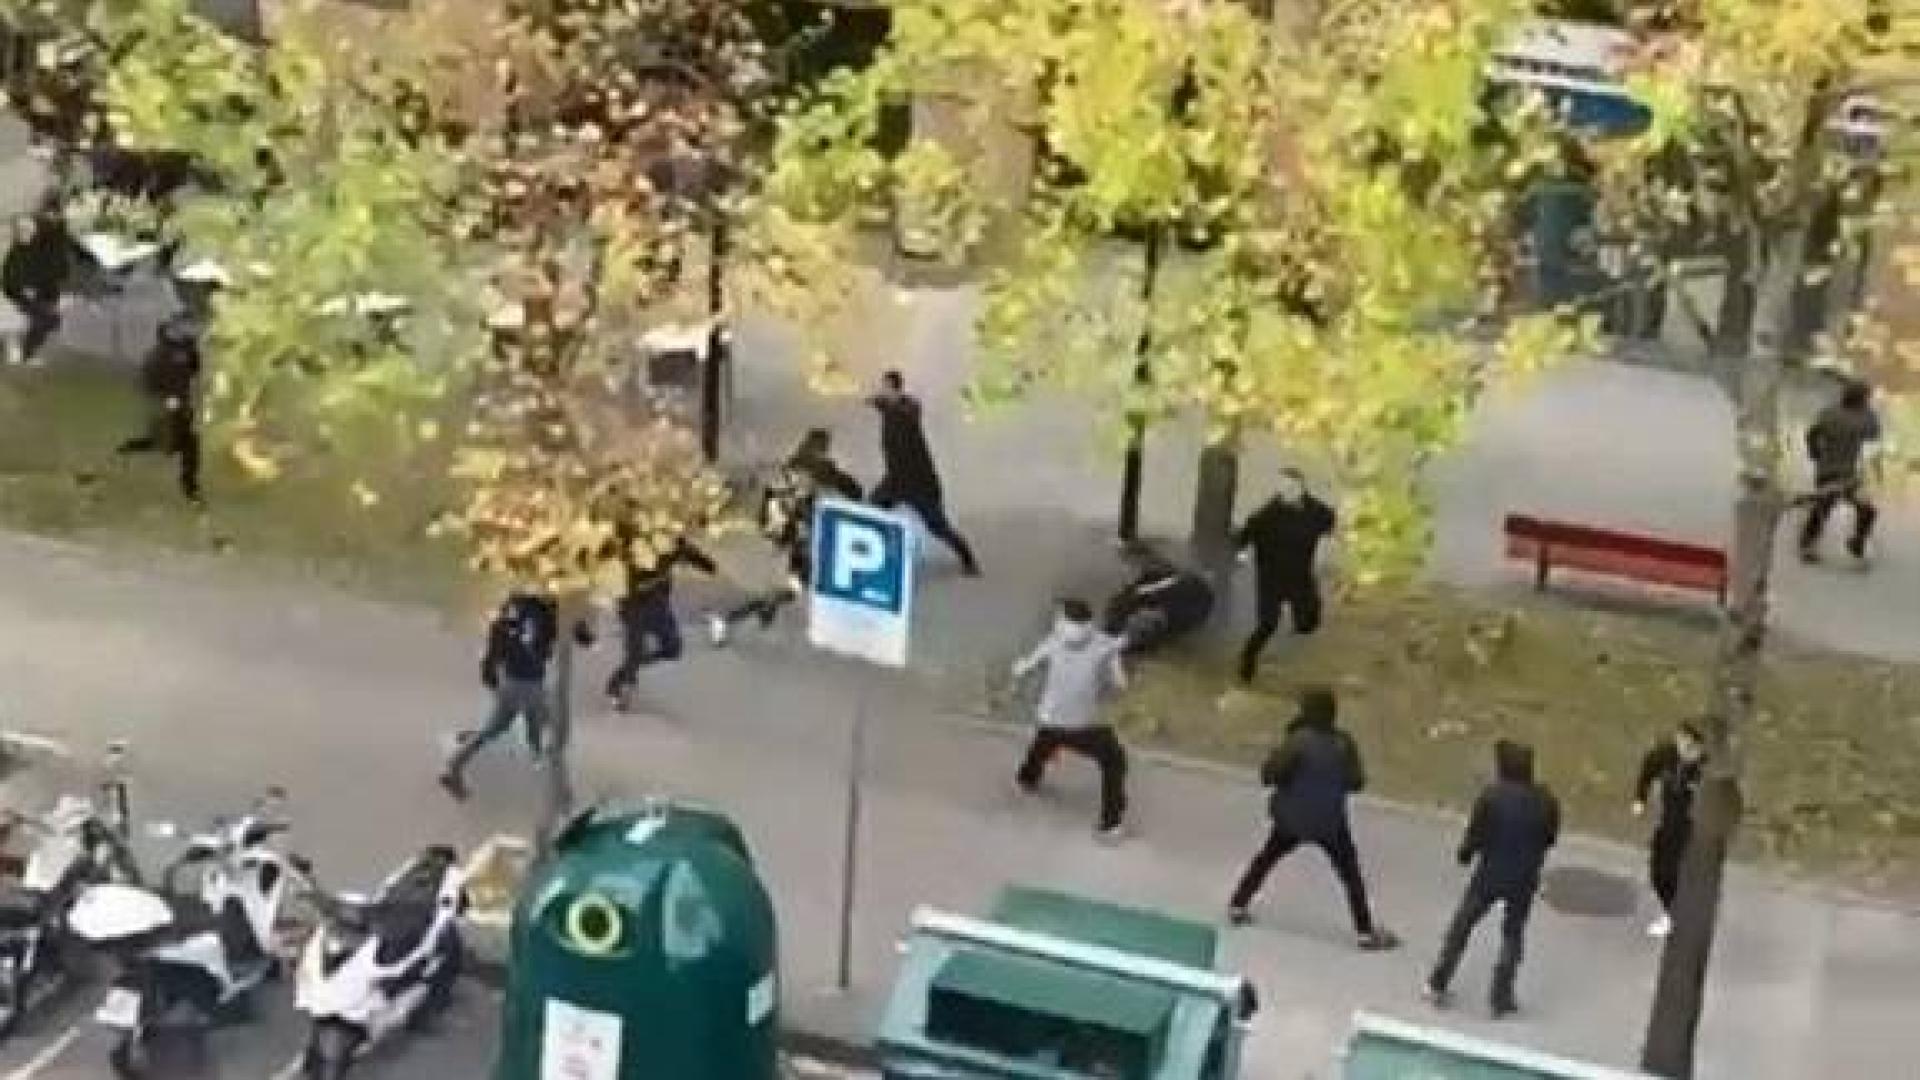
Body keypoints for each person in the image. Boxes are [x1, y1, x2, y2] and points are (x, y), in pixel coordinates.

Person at [1226, 687, 1398, 950]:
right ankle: (1364, 930)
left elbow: (1269, 774)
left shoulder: (1298, 740)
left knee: (1266, 859)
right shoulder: (1344, 743)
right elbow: (1356, 782)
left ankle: (1238, 904)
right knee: (1350, 874)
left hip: (1292, 818)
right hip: (1330, 822)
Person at [1425, 739, 1561, 1019]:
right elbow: (1550, 838)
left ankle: (1439, 980)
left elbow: (1476, 834)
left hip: (1489, 874)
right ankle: (1501, 996)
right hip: (1524, 876)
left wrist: (1465, 853)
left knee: (1462, 926)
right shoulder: (1546, 800)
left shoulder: (1491, 797)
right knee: (1512, 934)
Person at [709, 428, 863, 643]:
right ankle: (733, 618)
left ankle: (765, 609)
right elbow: (851, 488)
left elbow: (772, 498)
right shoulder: (821, 469)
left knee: (794, 582)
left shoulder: (793, 464)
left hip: (786, 535)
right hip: (796, 537)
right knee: (794, 585)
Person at [440, 590, 590, 800]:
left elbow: (495, 644)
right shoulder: (551, 612)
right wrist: (586, 635)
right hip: (531, 684)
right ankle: (560, 790)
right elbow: (580, 634)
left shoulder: (513, 607)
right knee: (554, 730)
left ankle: (454, 766)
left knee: (495, 729)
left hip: (509, 681)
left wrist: (491, 674)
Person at [1010, 598, 1131, 841]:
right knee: (1114, 761)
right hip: (1084, 725)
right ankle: (1110, 824)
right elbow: (1120, 685)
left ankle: (1027, 778)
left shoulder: (1054, 641)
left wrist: (1018, 672)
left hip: (1050, 717)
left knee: (1046, 738)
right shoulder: (1105, 646)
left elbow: (1024, 667)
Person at [867, 370, 981, 576]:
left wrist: (885, 404)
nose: (882, 390)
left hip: (919, 483)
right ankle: (875, 556)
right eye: (882, 387)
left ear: (895, 388)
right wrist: (877, 402)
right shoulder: (888, 408)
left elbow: (908, 411)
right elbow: (878, 403)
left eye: (886, 387)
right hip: (894, 481)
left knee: (938, 527)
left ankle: (968, 559)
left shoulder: (908, 410)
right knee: (871, 512)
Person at [1233, 468, 1335, 685]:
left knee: (1308, 621)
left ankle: (1300, 628)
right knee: (1267, 624)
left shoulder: (1316, 511)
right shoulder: (1267, 515)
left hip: (1299, 576)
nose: (1286, 490)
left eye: (1291, 486)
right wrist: (1239, 552)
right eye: (1282, 486)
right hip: (1271, 578)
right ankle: (1247, 663)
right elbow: (1244, 536)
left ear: (1301, 488)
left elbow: (1332, 523)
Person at [604, 523, 715, 713]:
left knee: (673, 648)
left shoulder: (670, 541)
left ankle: (629, 669)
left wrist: (707, 565)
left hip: (658, 603)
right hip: (633, 606)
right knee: (636, 651)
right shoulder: (632, 546)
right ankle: (619, 687)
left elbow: (686, 551)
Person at [115, 313, 203, 502]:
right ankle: (127, 449)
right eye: (178, 330)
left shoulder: (186, 351)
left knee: (184, 444)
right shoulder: (158, 355)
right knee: (173, 444)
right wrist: (163, 400)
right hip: (165, 407)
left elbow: (194, 370)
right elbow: (146, 381)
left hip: (181, 406)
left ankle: (189, 486)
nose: (184, 332)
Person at [1633, 722, 1704, 939]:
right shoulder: (1666, 755)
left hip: (1694, 826)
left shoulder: (1705, 769)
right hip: (1670, 821)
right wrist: (1640, 798)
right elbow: (1648, 769)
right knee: (1658, 871)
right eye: (1682, 743)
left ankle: (1678, 915)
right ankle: (1674, 910)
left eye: (1691, 747)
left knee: (1678, 870)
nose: (1685, 750)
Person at [1799, 379, 1882, 565]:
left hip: (1849, 474)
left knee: (1866, 509)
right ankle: (1808, 544)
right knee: (1824, 506)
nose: (1867, 401)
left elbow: (1812, 433)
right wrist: (1815, 452)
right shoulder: (1837, 414)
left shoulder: (1852, 415)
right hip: (1829, 471)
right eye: (1865, 398)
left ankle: (1857, 542)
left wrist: (1813, 451)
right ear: (1860, 399)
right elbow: (1813, 433)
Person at [1103, 544, 1215, 656]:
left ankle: (1137, 640)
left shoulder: (1161, 582)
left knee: (1138, 616)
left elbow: (1133, 598)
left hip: (1186, 608)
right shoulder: (1154, 579)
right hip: (1188, 607)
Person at [1, 212, 70, 365]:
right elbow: (10, 281)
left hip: (41, 295)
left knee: (51, 319)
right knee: (48, 318)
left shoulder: (38, 248)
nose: (27, 232)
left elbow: (51, 274)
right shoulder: (16, 253)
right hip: (22, 296)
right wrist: (23, 290)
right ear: (18, 232)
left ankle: (24, 350)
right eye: (23, 229)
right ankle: (21, 349)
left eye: (29, 228)